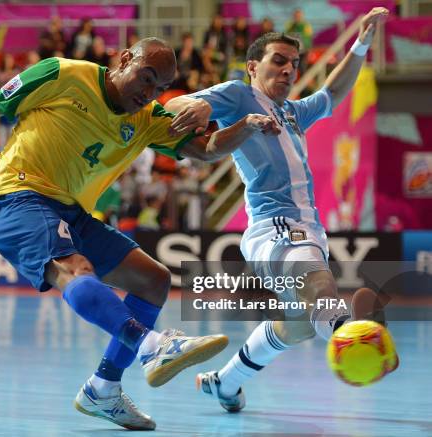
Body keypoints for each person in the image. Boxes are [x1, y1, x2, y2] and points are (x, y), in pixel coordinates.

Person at [0, 38, 274, 430]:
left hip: (70, 210)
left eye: (160, 88)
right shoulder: (62, 72)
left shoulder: (149, 118)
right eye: (146, 78)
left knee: (153, 281)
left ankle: (103, 388)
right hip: (15, 196)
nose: (149, 93)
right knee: (76, 268)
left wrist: (247, 125)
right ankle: (152, 345)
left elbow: (206, 149)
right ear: (124, 60)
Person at [165, 8, 395, 412]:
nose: (289, 69)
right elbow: (181, 102)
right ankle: (351, 335)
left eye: (294, 63)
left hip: (308, 229)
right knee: (319, 285)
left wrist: (360, 43)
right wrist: (197, 107)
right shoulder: (239, 95)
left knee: (299, 326)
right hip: (277, 228)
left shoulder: (290, 112)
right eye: (279, 61)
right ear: (253, 66)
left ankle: (225, 382)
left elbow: (331, 95)